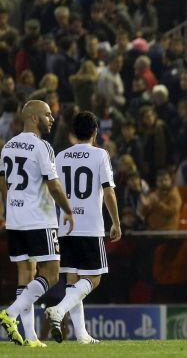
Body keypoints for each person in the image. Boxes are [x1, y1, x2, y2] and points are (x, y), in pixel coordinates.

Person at [0, 100, 74, 348]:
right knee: (51, 274)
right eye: (47, 114)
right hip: (39, 218)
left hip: (15, 219)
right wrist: (68, 210)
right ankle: (9, 314)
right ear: (33, 118)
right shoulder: (42, 147)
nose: (52, 119)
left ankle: (31, 337)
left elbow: (3, 184)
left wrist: (9, 208)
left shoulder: (8, 146)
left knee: (26, 274)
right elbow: (53, 185)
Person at [44, 111, 121, 345]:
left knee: (73, 279)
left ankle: (81, 334)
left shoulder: (61, 156)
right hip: (89, 226)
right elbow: (108, 191)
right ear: (95, 132)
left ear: (72, 133)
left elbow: (52, 191)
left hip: (65, 226)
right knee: (94, 278)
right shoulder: (100, 155)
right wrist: (116, 222)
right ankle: (58, 311)